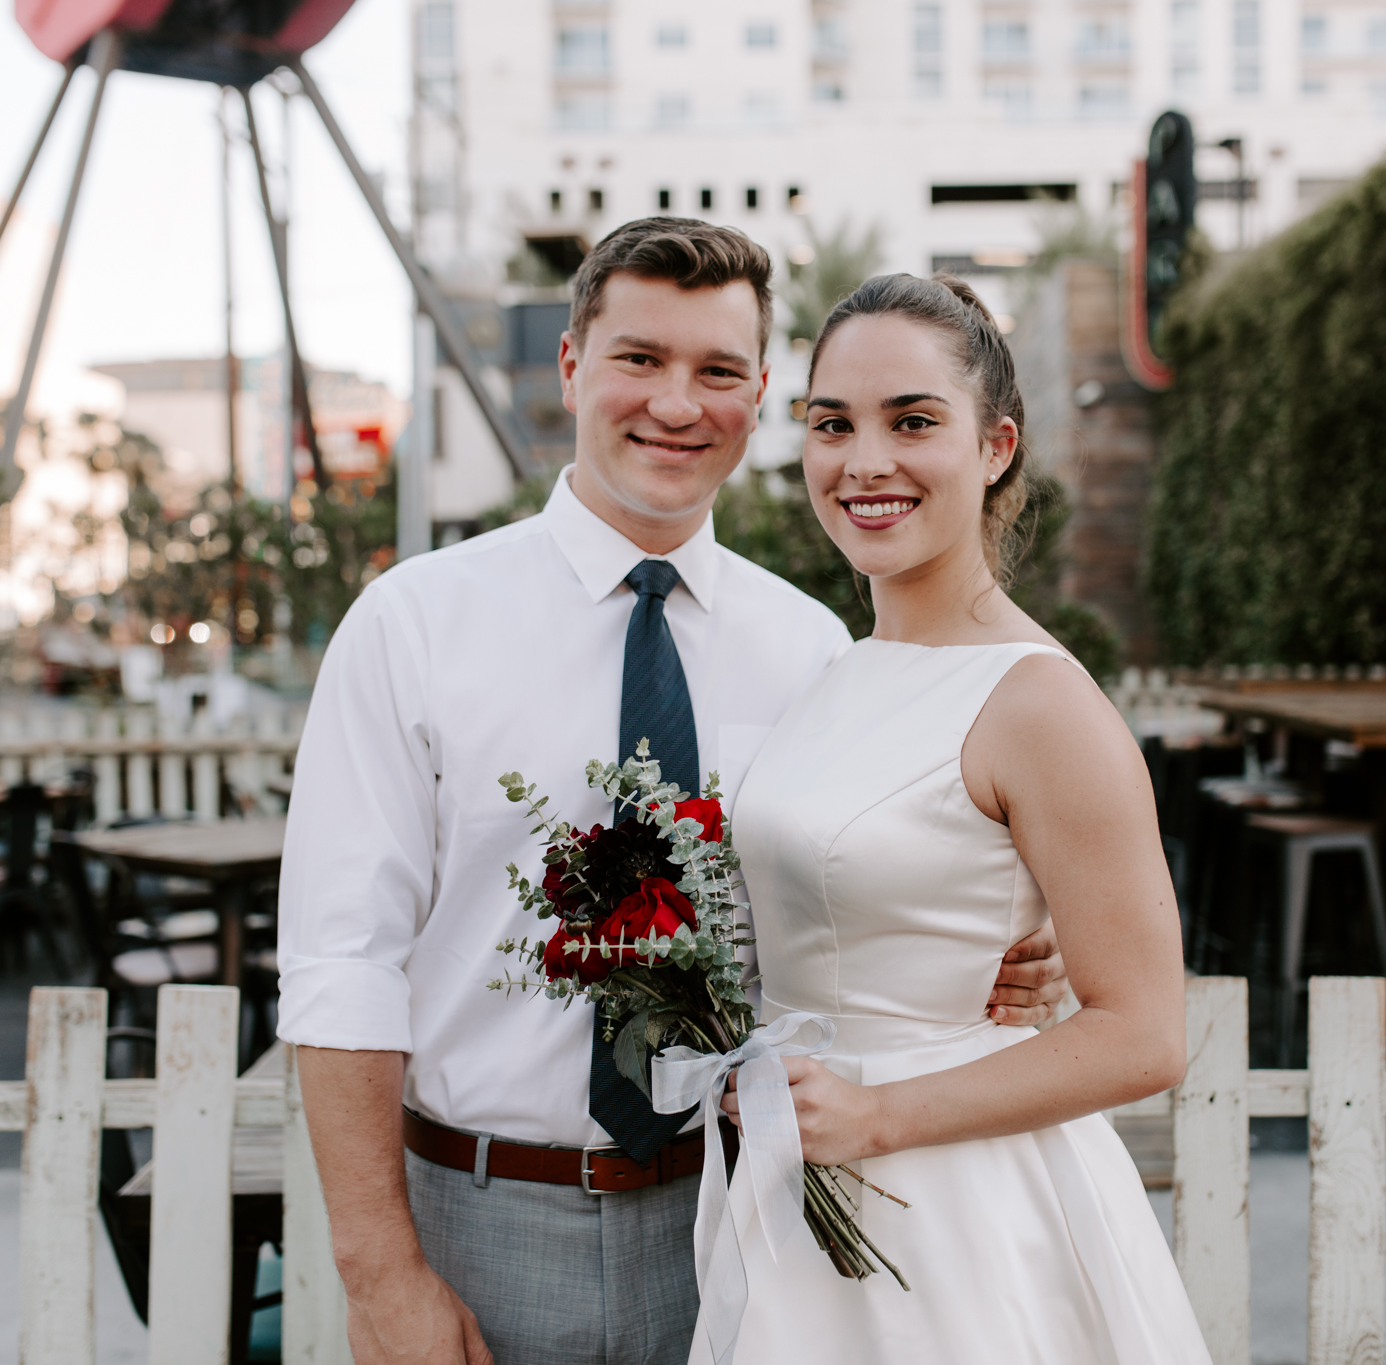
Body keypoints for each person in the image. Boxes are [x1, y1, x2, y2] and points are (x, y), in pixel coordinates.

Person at [275, 219, 1068, 1365]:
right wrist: (380, 1270)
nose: (675, 404)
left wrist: (994, 945)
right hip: (479, 1216)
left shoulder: (812, 647)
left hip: (745, 1213)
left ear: (757, 395)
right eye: (639, 360)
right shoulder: (414, 625)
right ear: (570, 367)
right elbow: (340, 963)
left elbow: (859, 885)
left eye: (716, 372)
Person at [709, 273, 1211, 1363]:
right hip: (802, 1184)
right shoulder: (844, 669)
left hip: (953, 1210)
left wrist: (877, 1117)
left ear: (994, 447)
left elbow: (1144, 1033)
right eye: (831, 424)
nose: (865, 462)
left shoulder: (1040, 702)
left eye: (913, 422)